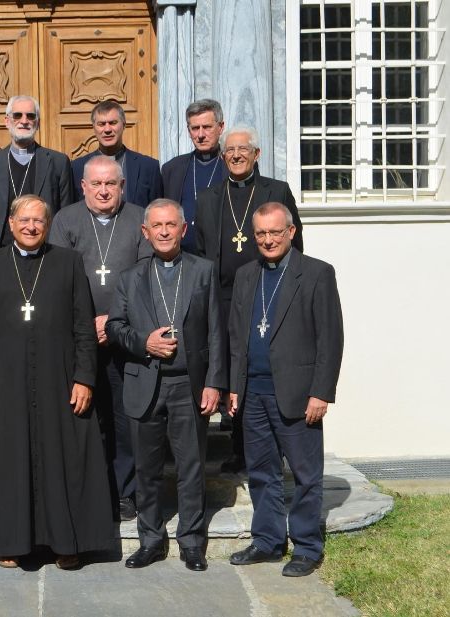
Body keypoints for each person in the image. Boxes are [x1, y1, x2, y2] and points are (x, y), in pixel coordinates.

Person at [0, 195, 115, 570]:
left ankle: (67, 541)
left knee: (62, 458)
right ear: (11, 223)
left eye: (38, 221)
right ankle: (8, 541)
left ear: (47, 226)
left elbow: (83, 326)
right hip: (2, 381)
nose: (31, 227)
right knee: (7, 461)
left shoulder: (68, 263)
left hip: (58, 378)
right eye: (24, 220)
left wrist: (84, 377)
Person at [105, 199, 226, 572]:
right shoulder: (130, 277)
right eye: (156, 226)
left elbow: (217, 333)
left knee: (191, 466)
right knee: (147, 469)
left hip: (188, 385)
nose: (163, 231)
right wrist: (145, 343)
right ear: (145, 232)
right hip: (145, 384)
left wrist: (214, 383)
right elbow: (113, 327)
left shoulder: (203, 271)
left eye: (170, 225)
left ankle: (191, 542)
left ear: (182, 229)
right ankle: (151, 540)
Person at [227, 202, 343, 577]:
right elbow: (236, 337)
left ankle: (307, 547)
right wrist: (234, 386)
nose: (268, 240)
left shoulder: (316, 273)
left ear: (291, 232)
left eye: (275, 232)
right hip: (254, 394)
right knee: (261, 472)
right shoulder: (246, 275)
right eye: (261, 233)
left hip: (297, 393)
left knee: (306, 475)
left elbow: (331, 338)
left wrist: (321, 392)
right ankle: (268, 541)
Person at [195, 125, 304, 474]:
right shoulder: (209, 197)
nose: (237, 155)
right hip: (223, 299)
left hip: (266, 294)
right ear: (222, 156)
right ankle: (239, 449)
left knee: (264, 371)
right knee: (232, 373)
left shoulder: (277, 191)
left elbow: (296, 247)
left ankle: (279, 446)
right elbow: (200, 252)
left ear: (257, 154)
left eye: (244, 149)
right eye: (230, 151)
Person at [48, 156, 147, 522]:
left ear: (122, 186)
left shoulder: (140, 219)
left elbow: (146, 276)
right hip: (79, 338)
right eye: (97, 184)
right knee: (86, 419)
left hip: (125, 338)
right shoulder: (66, 219)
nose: (104, 190)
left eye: (111, 184)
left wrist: (114, 320)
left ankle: (125, 493)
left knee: (124, 421)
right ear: (83, 186)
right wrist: (84, 322)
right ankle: (90, 491)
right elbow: (57, 275)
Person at [0, 96, 74, 247]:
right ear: (7, 121)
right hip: (2, 252)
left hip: (46, 250)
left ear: (38, 123)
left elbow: (66, 213)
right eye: (17, 115)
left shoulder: (58, 162)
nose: (24, 120)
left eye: (31, 116)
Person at [161, 99, 229, 252]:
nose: (200, 135)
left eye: (207, 127)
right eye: (195, 128)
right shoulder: (172, 168)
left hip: (220, 255)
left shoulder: (232, 166)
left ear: (221, 127)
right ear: (188, 130)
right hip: (182, 256)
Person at [71, 100, 162, 208]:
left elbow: (157, 211)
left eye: (113, 123)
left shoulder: (148, 167)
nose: (107, 129)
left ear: (124, 125)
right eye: (101, 124)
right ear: (94, 128)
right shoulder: (77, 167)